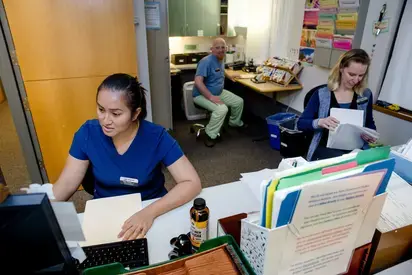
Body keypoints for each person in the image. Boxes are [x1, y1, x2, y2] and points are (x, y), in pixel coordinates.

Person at [52, 73, 201, 240]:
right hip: (106, 212)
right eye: (101, 110)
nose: (105, 120)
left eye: (115, 114)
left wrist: (149, 213)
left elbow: (191, 183)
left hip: (150, 209)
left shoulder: (156, 136)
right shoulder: (88, 133)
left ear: (135, 114)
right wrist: (40, 212)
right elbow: (66, 184)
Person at [297, 49, 377, 161]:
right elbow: (300, 123)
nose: (356, 80)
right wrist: (320, 122)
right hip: (326, 150)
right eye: (352, 74)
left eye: (361, 75)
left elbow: (369, 123)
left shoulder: (365, 94)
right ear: (341, 68)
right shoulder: (322, 94)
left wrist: (369, 134)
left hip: (354, 150)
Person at [192, 38, 246, 147]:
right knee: (222, 109)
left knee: (238, 102)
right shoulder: (206, 61)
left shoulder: (221, 58)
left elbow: (220, 70)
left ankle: (234, 123)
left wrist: (230, 76)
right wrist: (211, 97)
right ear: (212, 49)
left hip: (218, 92)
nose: (220, 50)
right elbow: (198, 82)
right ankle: (210, 134)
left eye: (223, 47)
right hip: (201, 95)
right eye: (217, 47)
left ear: (226, 49)